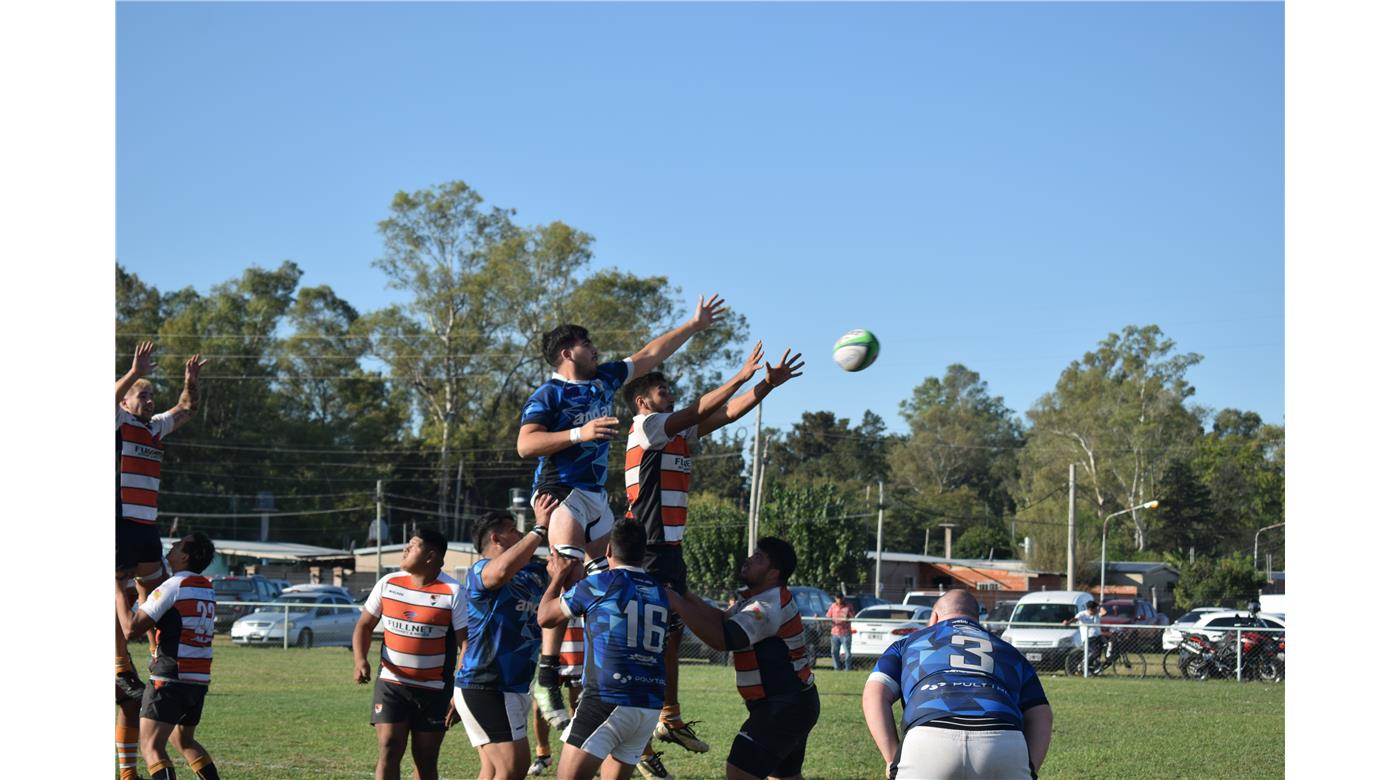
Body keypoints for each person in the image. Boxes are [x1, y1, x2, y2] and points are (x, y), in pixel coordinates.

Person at [517, 294, 727, 727]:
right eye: (587, 343)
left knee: (617, 581)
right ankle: (547, 676)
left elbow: (651, 354)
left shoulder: (605, 379)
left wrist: (694, 325)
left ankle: (608, 676)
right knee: (567, 571)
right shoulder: (549, 394)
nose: (595, 349)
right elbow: (526, 445)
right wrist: (579, 433)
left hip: (596, 497)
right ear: (566, 353)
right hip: (561, 491)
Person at [620, 341, 804, 757]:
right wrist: (741, 375)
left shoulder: (673, 431)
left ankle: (668, 717)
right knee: (645, 642)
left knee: (670, 637)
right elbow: (698, 411)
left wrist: (767, 386)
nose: (671, 397)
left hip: (669, 549)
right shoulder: (647, 427)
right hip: (648, 549)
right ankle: (636, 738)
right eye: (663, 391)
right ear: (643, 401)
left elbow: (728, 413)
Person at [666, 537, 820, 780]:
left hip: (784, 705)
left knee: (739, 771)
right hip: (793, 702)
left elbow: (722, 639)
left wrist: (676, 602)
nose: (749, 560)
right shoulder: (759, 598)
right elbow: (720, 619)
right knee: (784, 777)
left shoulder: (767, 606)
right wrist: (684, 594)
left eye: (758, 558)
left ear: (774, 573)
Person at [862, 590, 1052, 780]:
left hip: (929, 735)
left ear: (934, 617)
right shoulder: (1010, 651)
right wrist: (1029, 769)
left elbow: (875, 694)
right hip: (1003, 738)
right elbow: (1041, 713)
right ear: (978, 619)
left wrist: (891, 758)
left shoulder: (907, 644)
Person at [537, 518, 672, 780]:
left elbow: (545, 617)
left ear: (609, 550)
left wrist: (557, 577)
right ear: (643, 553)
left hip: (609, 697)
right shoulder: (660, 591)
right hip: (649, 703)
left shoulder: (601, 583)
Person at [115, 340, 206, 700]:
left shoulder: (154, 427)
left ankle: (157, 655)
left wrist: (190, 380)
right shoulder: (118, 421)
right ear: (125, 403)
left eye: (152, 396)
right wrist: (134, 373)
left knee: (155, 591)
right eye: (143, 396)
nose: (150, 402)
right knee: (115, 591)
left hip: (146, 523)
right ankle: (120, 668)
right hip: (119, 520)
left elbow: (187, 408)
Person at [353, 528, 469, 780]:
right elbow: (364, 625)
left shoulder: (454, 591)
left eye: (412, 545)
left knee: (425, 760)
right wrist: (360, 660)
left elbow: (466, 645)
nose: (405, 549)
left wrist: (460, 692)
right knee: (389, 747)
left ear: (430, 556)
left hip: (435, 690)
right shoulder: (388, 583)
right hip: (392, 684)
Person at [453, 498, 557, 780]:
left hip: (516, 685)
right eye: (513, 530)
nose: (521, 534)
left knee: (492, 770)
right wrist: (539, 528)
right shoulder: (480, 570)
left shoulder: (533, 573)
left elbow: (566, 576)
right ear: (496, 538)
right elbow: (499, 572)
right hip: (485, 684)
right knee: (513, 766)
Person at [114, 532, 220, 780]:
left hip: (171, 677)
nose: (172, 545)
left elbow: (130, 629)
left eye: (179, 544)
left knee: (151, 747)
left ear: (184, 557)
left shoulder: (174, 586)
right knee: (184, 741)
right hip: (198, 679)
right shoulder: (206, 587)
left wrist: (118, 588)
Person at [1063, 600, 1107, 668]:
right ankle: (1085, 665)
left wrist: (1100, 606)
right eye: (1095, 608)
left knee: (1108, 643)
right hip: (1089, 638)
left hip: (1098, 636)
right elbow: (1075, 619)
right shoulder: (1082, 614)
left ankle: (1100, 661)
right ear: (1090, 609)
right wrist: (1068, 622)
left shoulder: (1097, 614)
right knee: (1095, 652)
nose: (1097, 609)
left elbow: (1104, 613)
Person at [826, 595, 856, 672]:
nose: (839, 600)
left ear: (843, 598)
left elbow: (853, 617)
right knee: (834, 652)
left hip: (846, 633)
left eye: (840, 598)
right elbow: (828, 616)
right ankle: (837, 668)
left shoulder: (848, 606)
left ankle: (848, 669)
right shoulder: (833, 606)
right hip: (835, 632)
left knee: (847, 652)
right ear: (835, 598)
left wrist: (848, 617)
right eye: (837, 598)